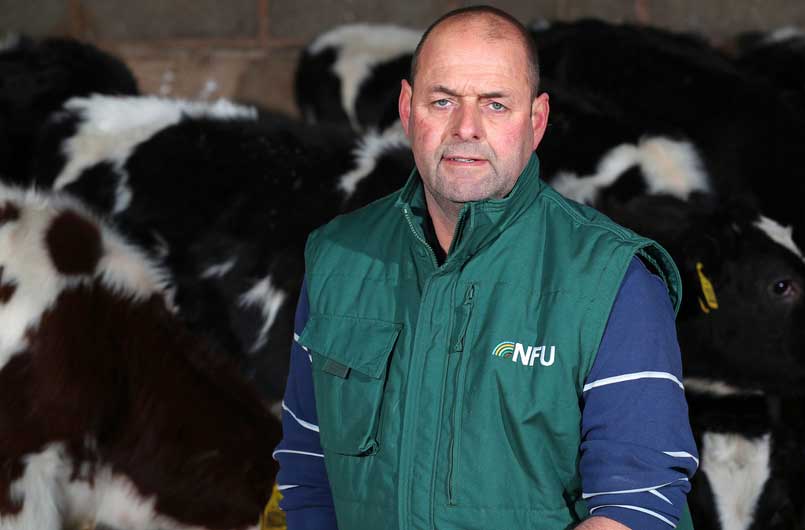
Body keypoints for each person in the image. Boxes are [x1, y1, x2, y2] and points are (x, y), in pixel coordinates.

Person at [274, 6, 698, 529]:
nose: (466, 128)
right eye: (443, 100)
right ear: (408, 109)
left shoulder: (613, 281)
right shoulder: (339, 259)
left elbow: (637, 504)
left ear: (536, 121)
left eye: (495, 105)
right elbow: (306, 469)